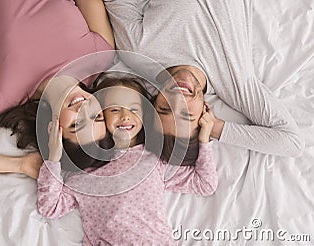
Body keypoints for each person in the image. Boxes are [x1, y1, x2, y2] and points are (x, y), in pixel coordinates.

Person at [0, 0, 115, 179]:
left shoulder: (9, 91)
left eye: (76, 125)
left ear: (54, 133)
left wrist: (21, 164)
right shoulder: (99, 55)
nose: (84, 110)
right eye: (96, 116)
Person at [104, 0, 305, 157]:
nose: (178, 100)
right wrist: (216, 128)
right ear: (204, 113)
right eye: (187, 115)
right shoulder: (234, 83)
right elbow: (292, 142)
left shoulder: (137, 51)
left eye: (164, 109)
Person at [37, 76, 218, 244]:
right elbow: (49, 208)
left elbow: (205, 184)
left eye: (133, 109)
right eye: (115, 109)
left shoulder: (153, 160)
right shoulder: (80, 177)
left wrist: (204, 139)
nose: (125, 115)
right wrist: (53, 159)